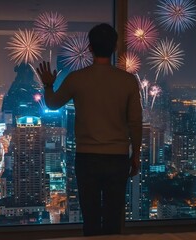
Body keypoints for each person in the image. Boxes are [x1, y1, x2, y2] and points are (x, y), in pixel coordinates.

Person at [36, 23, 142, 236]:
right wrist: (136, 154)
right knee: (113, 219)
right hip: (117, 158)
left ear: (90, 48)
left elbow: (53, 103)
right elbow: (135, 123)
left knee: (91, 219)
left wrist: (48, 85)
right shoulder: (128, 81)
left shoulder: (77, 78)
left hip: (87, 158)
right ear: (114, 48)